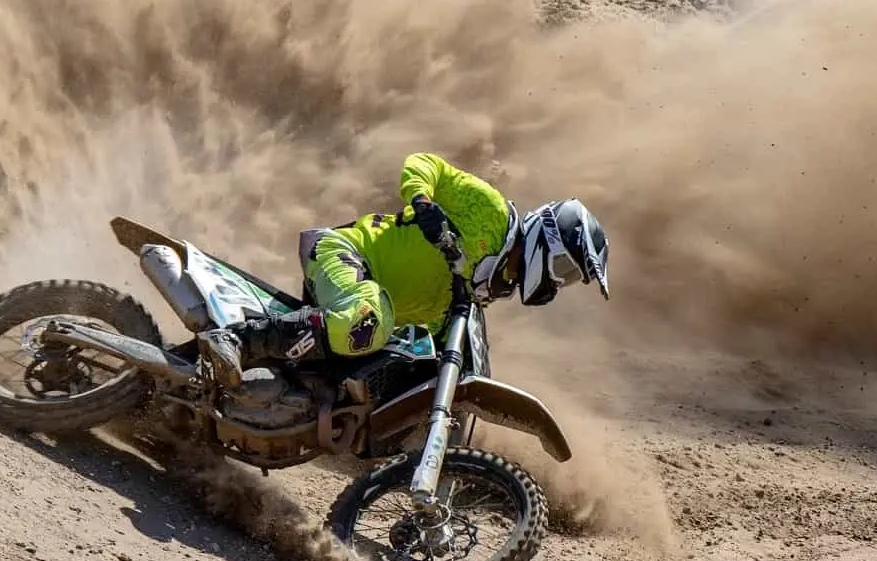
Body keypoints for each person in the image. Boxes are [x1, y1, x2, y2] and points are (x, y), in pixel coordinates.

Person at [197, 152, 611, 388]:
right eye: (564, 268)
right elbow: (426, 163)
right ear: (547, 237)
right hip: (346, 255)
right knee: (370, 315)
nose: (558, 281)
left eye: (568, 279)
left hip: (366, 316)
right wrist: (423, 201)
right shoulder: (490, 211)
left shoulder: (488, 286)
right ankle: (234, 339)